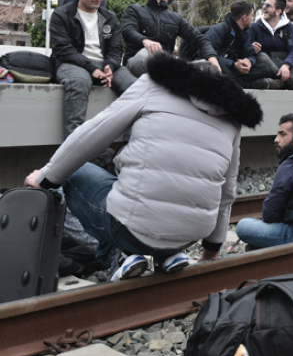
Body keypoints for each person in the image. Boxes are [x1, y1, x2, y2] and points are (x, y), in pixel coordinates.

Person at [24, 54, 262, 281]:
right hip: (189, 237)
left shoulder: (154, 85)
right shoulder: (232, 118)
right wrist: (211, 248)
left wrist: (45, 178)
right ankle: (168, 254)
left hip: (130, 230)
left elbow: (94, 132)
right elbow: (227, 190)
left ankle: (117, 256)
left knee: (73, 174)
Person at [51, 0, 137, 138]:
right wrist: (90, 68)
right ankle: (75, 144)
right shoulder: (62, 14)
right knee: (79, 82)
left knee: (136, 88)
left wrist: (110, 66)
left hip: (104, 65)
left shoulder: (109, 17)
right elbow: (63, 49)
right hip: (72, 63)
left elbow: (116, 48)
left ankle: (129, 145)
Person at [235, 113, 293, 249]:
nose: (276, 139)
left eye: (282, 134)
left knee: (243, 226)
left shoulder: (292, 165)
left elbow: (269, 215)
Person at [122, 0, 220, 77]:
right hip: (137, 62)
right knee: (147, 55)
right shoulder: (135, 9)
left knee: (208, 67)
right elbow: (127, 30)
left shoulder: (176, 18)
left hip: (166, 67)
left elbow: (200, 40)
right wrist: (145, 41)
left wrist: (214, 63)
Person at [205, 0, 275, 89]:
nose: (252, 19)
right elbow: (207, 56)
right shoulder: (218, 30)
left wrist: (248, 62)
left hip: (233, 70)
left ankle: (237, 83)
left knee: (264, 68)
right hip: (216, 68)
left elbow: (250, 54)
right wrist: (233, 64)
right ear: (244, 17)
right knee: (223, 71)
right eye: (252, 15)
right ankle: (248, 85)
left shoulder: (244, 34)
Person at [249, 0, 293, 90]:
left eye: (268, 6)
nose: (264, 7)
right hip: (268, 66)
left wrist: (286, 65)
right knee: (261, 56)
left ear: (278, 11)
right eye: (264, 4)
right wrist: (252, 47)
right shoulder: (255, 26)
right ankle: (290, 83)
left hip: (285, 64)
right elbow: (246, 48)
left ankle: (282, 82)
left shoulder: (288, 26)